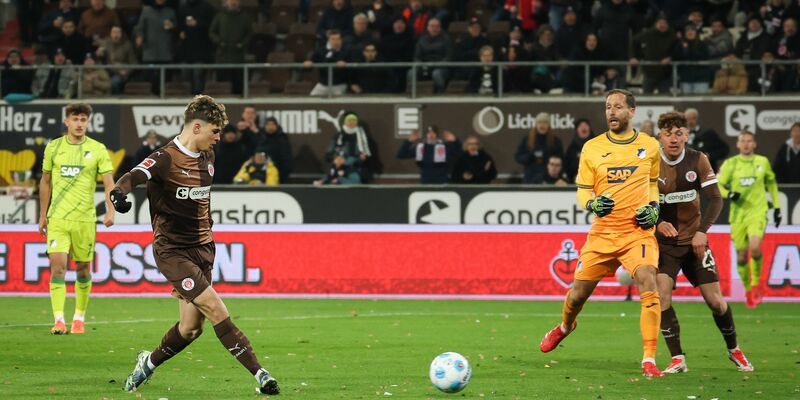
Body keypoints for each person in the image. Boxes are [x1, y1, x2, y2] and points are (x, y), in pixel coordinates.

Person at [109, 95, 280, 395]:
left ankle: (146, 364)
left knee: (190, 329)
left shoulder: (208, 158)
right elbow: (133, 175)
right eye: (214, 132)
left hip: (203, 248)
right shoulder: (165, 157)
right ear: (197, 127)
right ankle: (261, 374)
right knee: (215, 307)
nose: (218, 138)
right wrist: (118, 194)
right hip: (173, 251)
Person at [539, 89, 665, 378]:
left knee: (648, 278)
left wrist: (654, 208)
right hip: (603, 233)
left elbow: (653, 184)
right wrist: (593, 203)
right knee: (578, 295)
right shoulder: (592, 148)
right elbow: (583, 193)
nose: (611, 112)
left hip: (637, 232)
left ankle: (649, 358)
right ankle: (565, 327)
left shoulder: (649, 145)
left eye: (618, 107)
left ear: (631, 111)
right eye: (608, 107)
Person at [654, 111, 753, 374]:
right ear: (659, 137)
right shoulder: (651, 164)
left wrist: (702, 231)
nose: (673, 139)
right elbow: (640, 203)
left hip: (695, 243)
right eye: (667, 133)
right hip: (665, 246)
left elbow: (716, 199)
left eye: (678, 133)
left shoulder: (699, 160)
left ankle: (734, 350)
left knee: (716, 301)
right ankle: (677, 359)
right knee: (661, 295)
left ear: (686, 135)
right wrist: (655, 224)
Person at [38, 103, 115, 335]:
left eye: (83, 119)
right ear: (67, 122)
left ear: (88, 122)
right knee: (58, 267)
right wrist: (43, 215)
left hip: (85, 219)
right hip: (58, 218)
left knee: (82, 269)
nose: (79, 123)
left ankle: (79, 318)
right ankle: (59, 320)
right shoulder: (53, 147)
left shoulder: (98, 149)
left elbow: (109, 182)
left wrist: (111, 210)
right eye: (75, 119)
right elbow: (45, 181)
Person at [718, 131, 782, 308]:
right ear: (737, 144)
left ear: (754, 144)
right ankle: (747, 289)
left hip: (758, 212)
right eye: (742, 141)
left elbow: (771, 183)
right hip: (738, 215)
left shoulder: (762, 162)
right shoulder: (731, 164)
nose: (746, 144)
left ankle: (756, 286)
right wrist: (729, 193)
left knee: (754, 248)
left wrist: (776, 207)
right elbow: (718, 184)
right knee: (740, 256)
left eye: (749, 141)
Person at [209, 0, 252, 94]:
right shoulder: (220, 16)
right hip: (223, 56)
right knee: (223, 84)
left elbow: (249, 33)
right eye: (231, 1)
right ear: (226, 2)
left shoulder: (244, 17)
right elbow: (212, 32)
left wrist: (242, 44)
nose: (233, 3)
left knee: (238, 84)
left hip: (238, 56)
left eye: (235, 1)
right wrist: (219, 42)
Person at [397, 125, 461, 184]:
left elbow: (459, 154)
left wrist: (454, 141)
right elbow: (401, 155)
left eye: (433, 133)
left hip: (442, 181)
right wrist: (409, 141)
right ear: (426, 135)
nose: (431, 135)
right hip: (425, 182)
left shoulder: (444, 146)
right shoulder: (421, 147)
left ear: (437, 134)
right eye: (429, 133)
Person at [515, 112, 564, 183]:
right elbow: (518, 157)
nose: (542, 125)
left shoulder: (555, 141)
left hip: (549, 180)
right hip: (530, 179)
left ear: (548, 125)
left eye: (545, 123)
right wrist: (531, 156)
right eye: (540, 123)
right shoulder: (527, 140)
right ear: (536, 125)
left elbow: (561, 160)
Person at [305, 30, 349, 96]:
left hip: (339, 84)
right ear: (329, 40)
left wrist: (345, 65)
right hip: (323, 84)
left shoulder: (347, 51)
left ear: (341, 40)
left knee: (339, 103)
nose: (335, 42)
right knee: (312, 98)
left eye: (338, 39)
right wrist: (308, 63)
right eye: (333, 39)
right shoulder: (321, 51)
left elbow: (351, 69)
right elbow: (311, 62)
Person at [96, 26, 138, 94]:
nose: (116, 34)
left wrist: (127, 71)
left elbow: (134, 63)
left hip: (120, 72)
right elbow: (99, 57)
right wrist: (99, 54)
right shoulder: (105, 43)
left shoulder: (127, 45)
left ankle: (116, 100)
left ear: (121, 34)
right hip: (106, 70)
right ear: (110, 33)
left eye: (118, 32)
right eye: (114, 32)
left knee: (114, 83)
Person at [261, 117, 294, 183]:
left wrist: (280, 175)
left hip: (280, 177)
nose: (270, 127)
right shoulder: (260, 139)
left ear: (277, 126)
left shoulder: (283, 140)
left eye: (272, 124)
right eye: (268, 125)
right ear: (265, 127)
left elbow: (287, 160)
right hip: (261, 176)